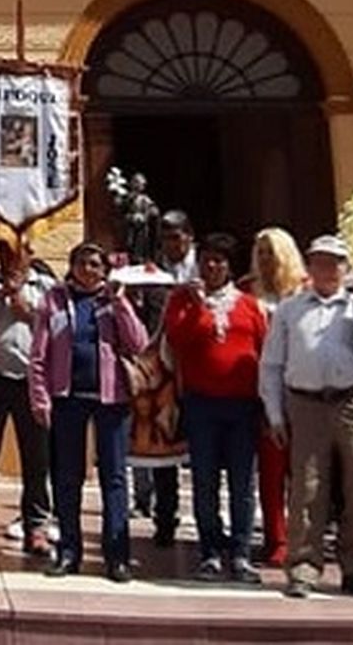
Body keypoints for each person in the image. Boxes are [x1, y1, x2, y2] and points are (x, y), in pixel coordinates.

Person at [258, 232, 353, 600]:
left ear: (346, 268)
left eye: (334, 262)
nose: (326, 269)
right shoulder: (291, 309)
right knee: (307, 489)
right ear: (309, 266)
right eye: (318, 261)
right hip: (306, 403)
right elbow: (271, 364)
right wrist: (275, 414)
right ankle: (302, 569)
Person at [29, 241, 149, 583]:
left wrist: (119, 302)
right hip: (67, 398)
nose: (88, 269)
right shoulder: (54, 299)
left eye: (95, 264)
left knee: (114, 477)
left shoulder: (113, 300)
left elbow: (138, 343)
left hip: (111, 399)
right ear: (71, 266)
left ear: (104, 270)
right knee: (68, 478)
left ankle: (117, 557)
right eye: (82, 263)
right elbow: (39, 353)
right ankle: (68, 552)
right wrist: (40, 397)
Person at [161, 232, 267, 584]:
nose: (212, 266)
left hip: (243, 406)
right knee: (204, 481)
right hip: (200, 404)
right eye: (206, 260)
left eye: (219, 261)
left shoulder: (249, 304)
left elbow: (265, 351)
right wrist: (196, 306)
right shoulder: (182, 299)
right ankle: (209, 551)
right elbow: (176, 339)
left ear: (228, 266)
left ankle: (240, 552)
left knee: (242, 482)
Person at [0, 235, 55, 558]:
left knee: (36, 459)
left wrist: (25, 306)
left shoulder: (45, 284)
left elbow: (53, 325)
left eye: (16, 253)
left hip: (31, 381)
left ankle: (36, 526)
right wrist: (1, 295)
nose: (10, 259)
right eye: (4, 253)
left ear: (29, 254)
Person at [243, 225, 306, 566]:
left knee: (305, 471)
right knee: (271, 469)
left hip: (302, 388)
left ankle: (303, 536)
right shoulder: (245, 291)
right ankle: (275, 537)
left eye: (271, 252)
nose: (266, 259)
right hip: (260, 389)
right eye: (261, 252)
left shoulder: (304, 292)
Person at [134, 209, 196, 546]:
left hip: (200, 371)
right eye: (166, 238)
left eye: (176, 237)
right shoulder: (151, 273)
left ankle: (210, 523)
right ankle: (164, 519)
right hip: (163, 373)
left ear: (189, 237)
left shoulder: (209, 270)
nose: (171, 244)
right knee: (163, 450)